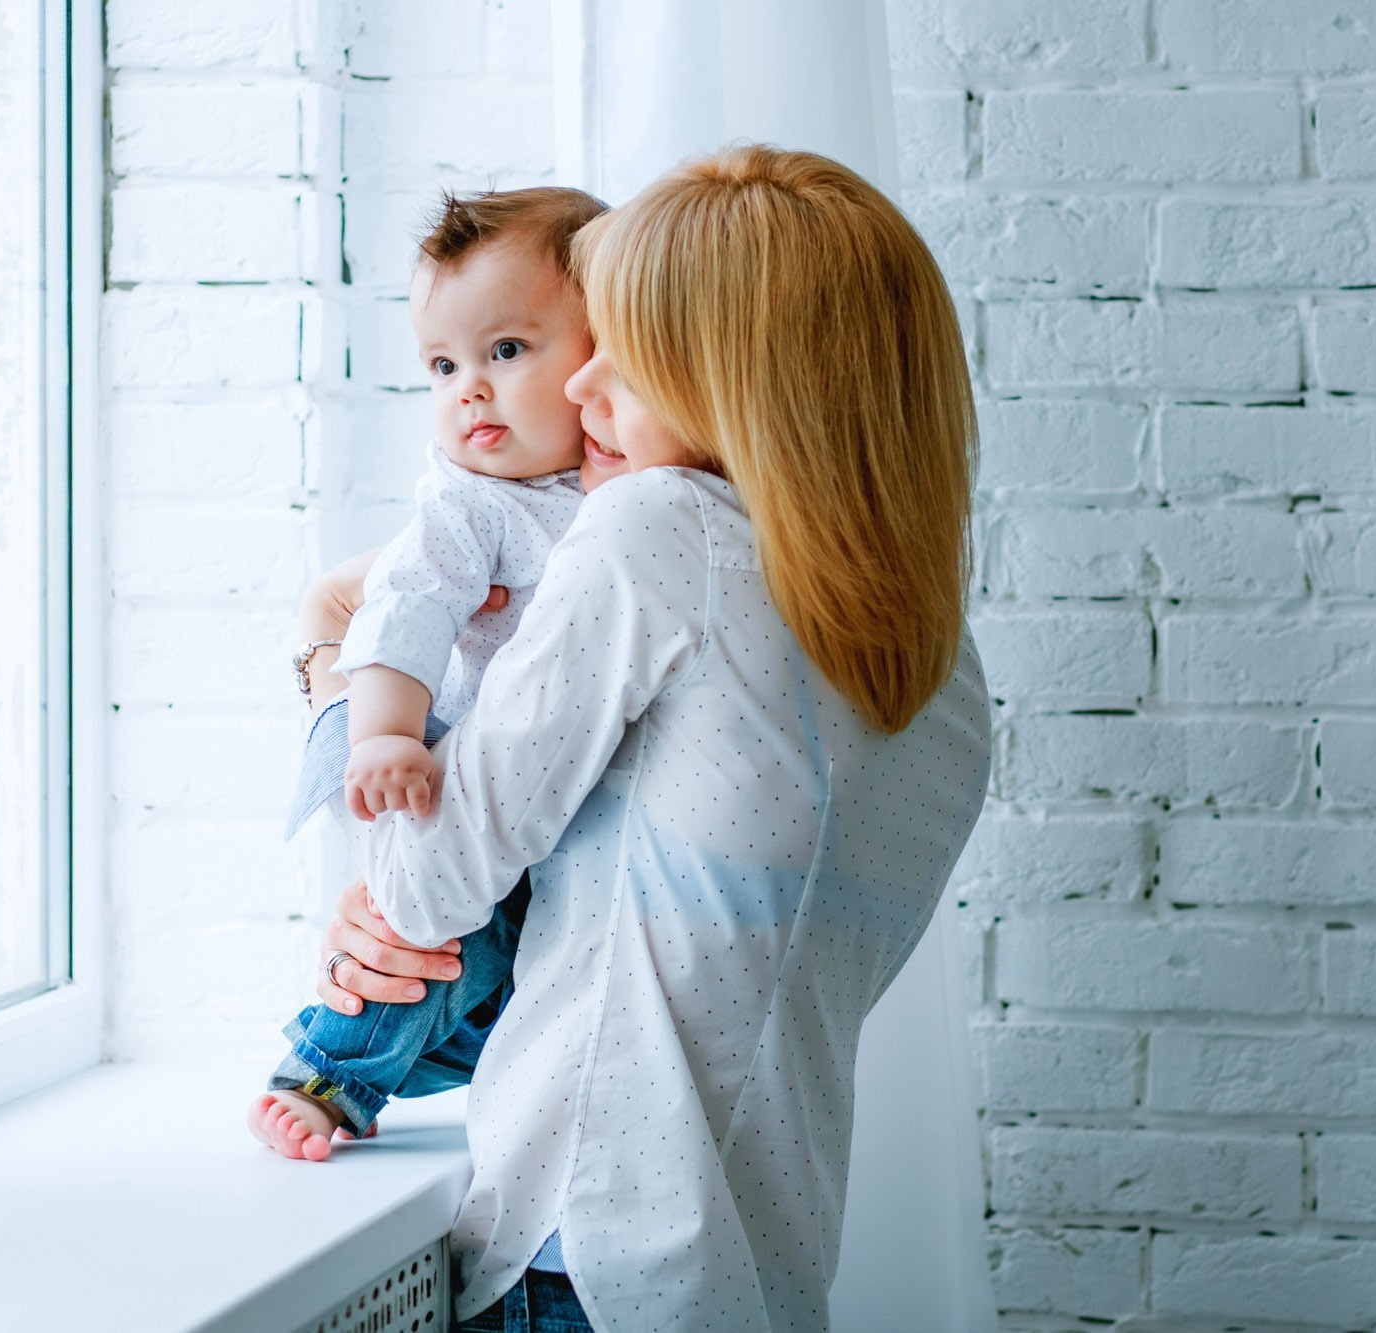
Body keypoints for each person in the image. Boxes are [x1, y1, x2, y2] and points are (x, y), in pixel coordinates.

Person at [312, 145, 989, 1331]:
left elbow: (422, 883)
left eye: (628, 348)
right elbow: (642, 971)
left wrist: (329, 648)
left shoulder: (654, 529)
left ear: (739, 377)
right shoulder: (937, 669)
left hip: (586, 1252)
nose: (579, 385)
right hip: (761, 1263)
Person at [248, 184, 654, 1162]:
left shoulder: (618, 485)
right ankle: (326, 1072)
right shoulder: (469, 504)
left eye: (505, 350)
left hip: (553, 800)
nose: (468, 388)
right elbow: (405, 615)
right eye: (443, 365)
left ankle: (423, 1056)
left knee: (488, 966)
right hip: (442, 761)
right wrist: (386, 734)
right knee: (425, 941)